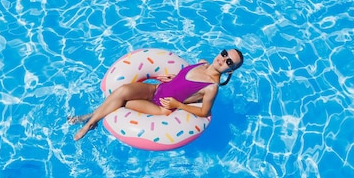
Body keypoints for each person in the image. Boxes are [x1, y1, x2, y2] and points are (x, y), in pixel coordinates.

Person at [70, 48, 244, 141]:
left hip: (161, 107)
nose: (222, 59)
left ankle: (89, 123)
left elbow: (204, 112)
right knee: (122, 91)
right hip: (156, 89)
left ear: (230, 71)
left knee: (121, 102)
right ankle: (91, 118)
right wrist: (174, 77)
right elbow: (186, 83)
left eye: (229, 62)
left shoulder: (212, 87)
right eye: (224, 53)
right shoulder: (203, 64)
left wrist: (178, 105)